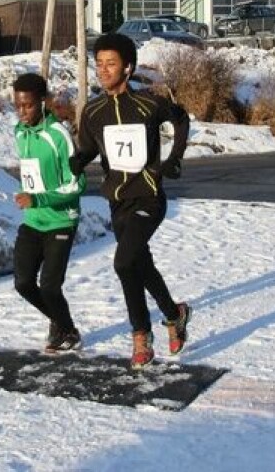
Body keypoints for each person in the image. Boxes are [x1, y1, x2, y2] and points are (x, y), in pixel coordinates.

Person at [69, 33, 191, 370]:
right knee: (139, 264)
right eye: (99, 64)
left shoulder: (149, 104)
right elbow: (92, 147)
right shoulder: (93, 111)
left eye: (111, 64)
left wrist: (175, 157)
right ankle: (174, 313)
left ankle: (141, 337)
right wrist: (79, 160)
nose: (103, 70)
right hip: (117, 202)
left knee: (123, 263)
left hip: (149, 198)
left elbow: (181, 120)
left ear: (128, 67)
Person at [12, 72, 86, 353]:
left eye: (28, 105)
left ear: (43, 102)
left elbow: (77, 184)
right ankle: (61, 322)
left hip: (61, 220)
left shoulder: (59, 134)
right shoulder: (19, 132)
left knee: (50, 287)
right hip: (33, 220)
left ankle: (68, 331)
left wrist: (39, 198)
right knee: (23, 283)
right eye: (17, 105)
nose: (22, 112)